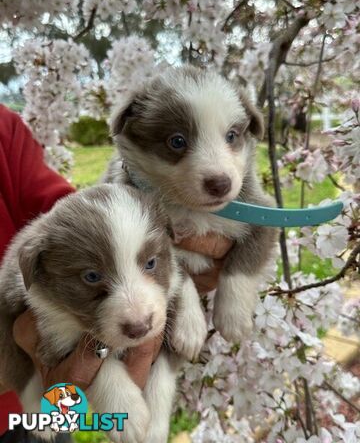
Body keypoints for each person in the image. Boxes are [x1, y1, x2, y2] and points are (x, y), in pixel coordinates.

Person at [0, 105, 232, 442]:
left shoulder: (4, 126)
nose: (138, 321)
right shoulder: (39, 284)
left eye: (149, 264)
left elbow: (75, 214)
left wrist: (185, 288)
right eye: (93, 279)